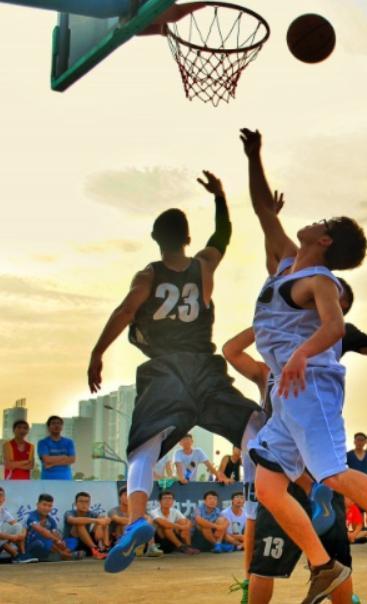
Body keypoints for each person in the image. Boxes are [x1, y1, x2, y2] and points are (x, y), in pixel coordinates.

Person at [241, 126, 367, 603]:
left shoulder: (322, 281)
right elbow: (263, 211)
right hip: (287, 391)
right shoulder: (287, 263)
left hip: (311, 384)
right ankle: (323, 565)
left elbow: (333, 327)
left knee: (330, 471)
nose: (308, 222)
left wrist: (300, 354)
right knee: (268, 486)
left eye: (320, 221)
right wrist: (254, 156)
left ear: (325, 239)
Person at [87, 171, 262, 573]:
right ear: (187, 237)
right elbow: (223, 236)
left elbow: (125, 311)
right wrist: (220, 197)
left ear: (155, 238)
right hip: (205, 367)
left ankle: (136, 519)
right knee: (252, 425)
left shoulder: (148, 275)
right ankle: (262, 505)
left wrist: (98, 352)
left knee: (143, 446)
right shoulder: (203, 266)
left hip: (166, 369)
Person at [222, 273, 367, 604]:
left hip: (319, 466)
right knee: (265, 564)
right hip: (280, 469)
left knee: (335, 561)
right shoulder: (267, 370)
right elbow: (230, 350)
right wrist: (267, 321)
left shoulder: (335, 339)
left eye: (336, 305)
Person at [25, 494, 82, 561]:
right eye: (44, 505)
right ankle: (66, 555)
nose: (46, 508)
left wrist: (60, 542)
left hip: (50, 545)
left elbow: (55, 534)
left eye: (49, 506)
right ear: (37, 505)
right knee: (43, 537)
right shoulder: (32, 516)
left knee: (73, 541)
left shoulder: (51, 520)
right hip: (34, 545)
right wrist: (56, 540)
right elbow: (41, 531)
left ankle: (59, 555)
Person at [63, 491, 111, 559]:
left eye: (86, 502)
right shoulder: (69, 512)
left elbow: (107, 519)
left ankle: (106, 548)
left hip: (86, 543)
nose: (84, 504)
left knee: (104, 523)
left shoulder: (90, 513)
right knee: (79, 524)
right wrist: (97, 521)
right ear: (75, 504)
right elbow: (71, 520)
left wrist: (99, 525)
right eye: (81, 501)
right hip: (73, 543)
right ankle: (95, 549)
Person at [150, 491, 198, 555]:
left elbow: (187, 521)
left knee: (183, 522)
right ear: (160, 501)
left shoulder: (175, 511)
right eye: (165, 498)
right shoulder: (154, 512)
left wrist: (186, 527)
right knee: (167, 527)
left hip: (173, 539)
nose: (167, 500)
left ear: (173, 501)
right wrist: (181, 527)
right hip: (160, 541)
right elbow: (164, 524)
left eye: (170, 498)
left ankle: (188, 546)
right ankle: (181, 547)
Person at [37, 416, 76, 480]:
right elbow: (46, 459)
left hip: (65, 478)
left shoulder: (69, 442)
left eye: (58, 423)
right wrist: (64, 457)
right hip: (48, 478)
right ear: (48, 427)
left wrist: (52, 464)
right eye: (53, 423)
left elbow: (72, 459)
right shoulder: (43, 443)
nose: (56, 425)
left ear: (62, 427)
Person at [0, 486, 32, 563]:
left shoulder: (3, 512)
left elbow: (18, 525)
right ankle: (15, 555)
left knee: (18, 527)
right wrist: (13, 537)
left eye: (1, 496)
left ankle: (22, 556)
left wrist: (22, 534)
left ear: (4, 499)